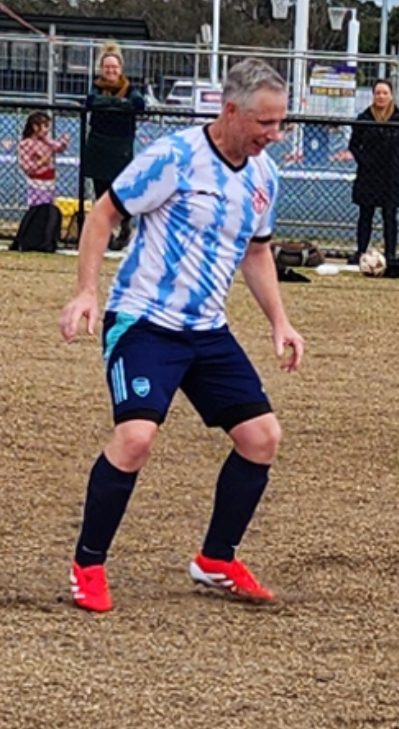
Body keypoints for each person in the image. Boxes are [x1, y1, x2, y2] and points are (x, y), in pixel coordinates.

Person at [59, 58, 305, 614]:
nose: (275, 134)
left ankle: (216, 559)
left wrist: (280, 321)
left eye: (280, 122)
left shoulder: (264, 176)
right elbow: (103, 215)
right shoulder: (174, 157)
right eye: (265, 122)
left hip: (207, 331)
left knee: (262, 437)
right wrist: (86, 291)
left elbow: (257, 252)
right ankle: (88, 564)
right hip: (144, 322)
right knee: (136, 439)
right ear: (231, 110)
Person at [81, 42, 146, 250]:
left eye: (114, 67)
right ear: (101, 68)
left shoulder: (131, 89)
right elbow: (92, 102)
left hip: (121, 148)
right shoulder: (96, 88)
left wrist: (112, 104)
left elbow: (138, 105)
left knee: (121, 191)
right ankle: (104, 233)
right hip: (99, 146)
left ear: (121, 69)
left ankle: (125, 227)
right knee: (100, 193)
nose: (111, 71)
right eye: (107, 67)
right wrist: (120, 105)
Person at [347, 78, 399, 265]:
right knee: (365, 214)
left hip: (391, 176)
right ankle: (361, 251)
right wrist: (364, 161)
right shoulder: (364, 118)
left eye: (385, 93)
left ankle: (390, 254)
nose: (381, 96)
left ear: (391, 95)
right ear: (373, 95)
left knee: (390, 215)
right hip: (368, 175)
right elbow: (354, 145)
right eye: (378, 93)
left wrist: (398, 163)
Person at [18, 112, 70, 207]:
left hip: (50, 181)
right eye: (45, 126)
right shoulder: (26, 144)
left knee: (48, 206)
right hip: (37, 182)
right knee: (38, 207)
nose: (47, 130)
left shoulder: (46, 140)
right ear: (35, 127)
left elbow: (58, 148)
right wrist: (42, 161)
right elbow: (26, 167)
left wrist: (64, 142)